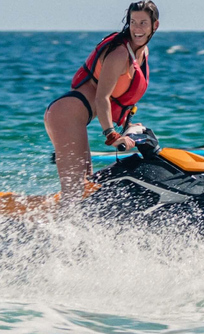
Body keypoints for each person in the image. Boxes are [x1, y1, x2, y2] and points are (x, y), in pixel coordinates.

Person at [44, 1, 159, 202]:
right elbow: (102, 97)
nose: (137, 29)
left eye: (143, 23)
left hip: (77, 118)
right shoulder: (120, 54)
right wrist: (113, 136)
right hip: (65, 116)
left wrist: (128, 125)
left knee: (85, 187)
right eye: (133, 22)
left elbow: (121, 96)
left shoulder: (142, 52)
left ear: (154, 26)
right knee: (74, 195)